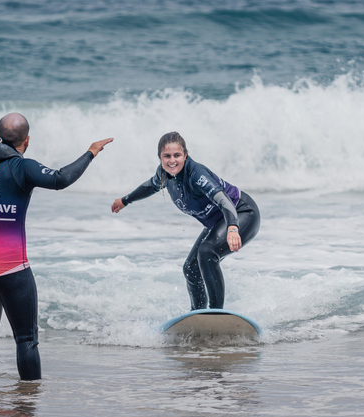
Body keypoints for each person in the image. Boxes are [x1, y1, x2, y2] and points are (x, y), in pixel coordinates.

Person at [0, 112, 112, 380]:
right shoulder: (21, 168)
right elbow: (60, 179)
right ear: (27, 141)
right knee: (26, 340)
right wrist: (91, 152)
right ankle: (28, 404)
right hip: (13, 270)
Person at [111, 132, 260, 311]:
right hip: (218, 221)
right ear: (160, 157)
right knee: (191, 268)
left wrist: (233, 228)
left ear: (185, 155)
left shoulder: (196, 173)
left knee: (207, 252)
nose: (172, 161)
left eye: (177, 155)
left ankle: (216, 313)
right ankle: (197, 314)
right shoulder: (163, 174)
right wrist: (125, 200)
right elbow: (150, 187)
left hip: (241, 213)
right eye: (166, 156)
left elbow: (224, 200)